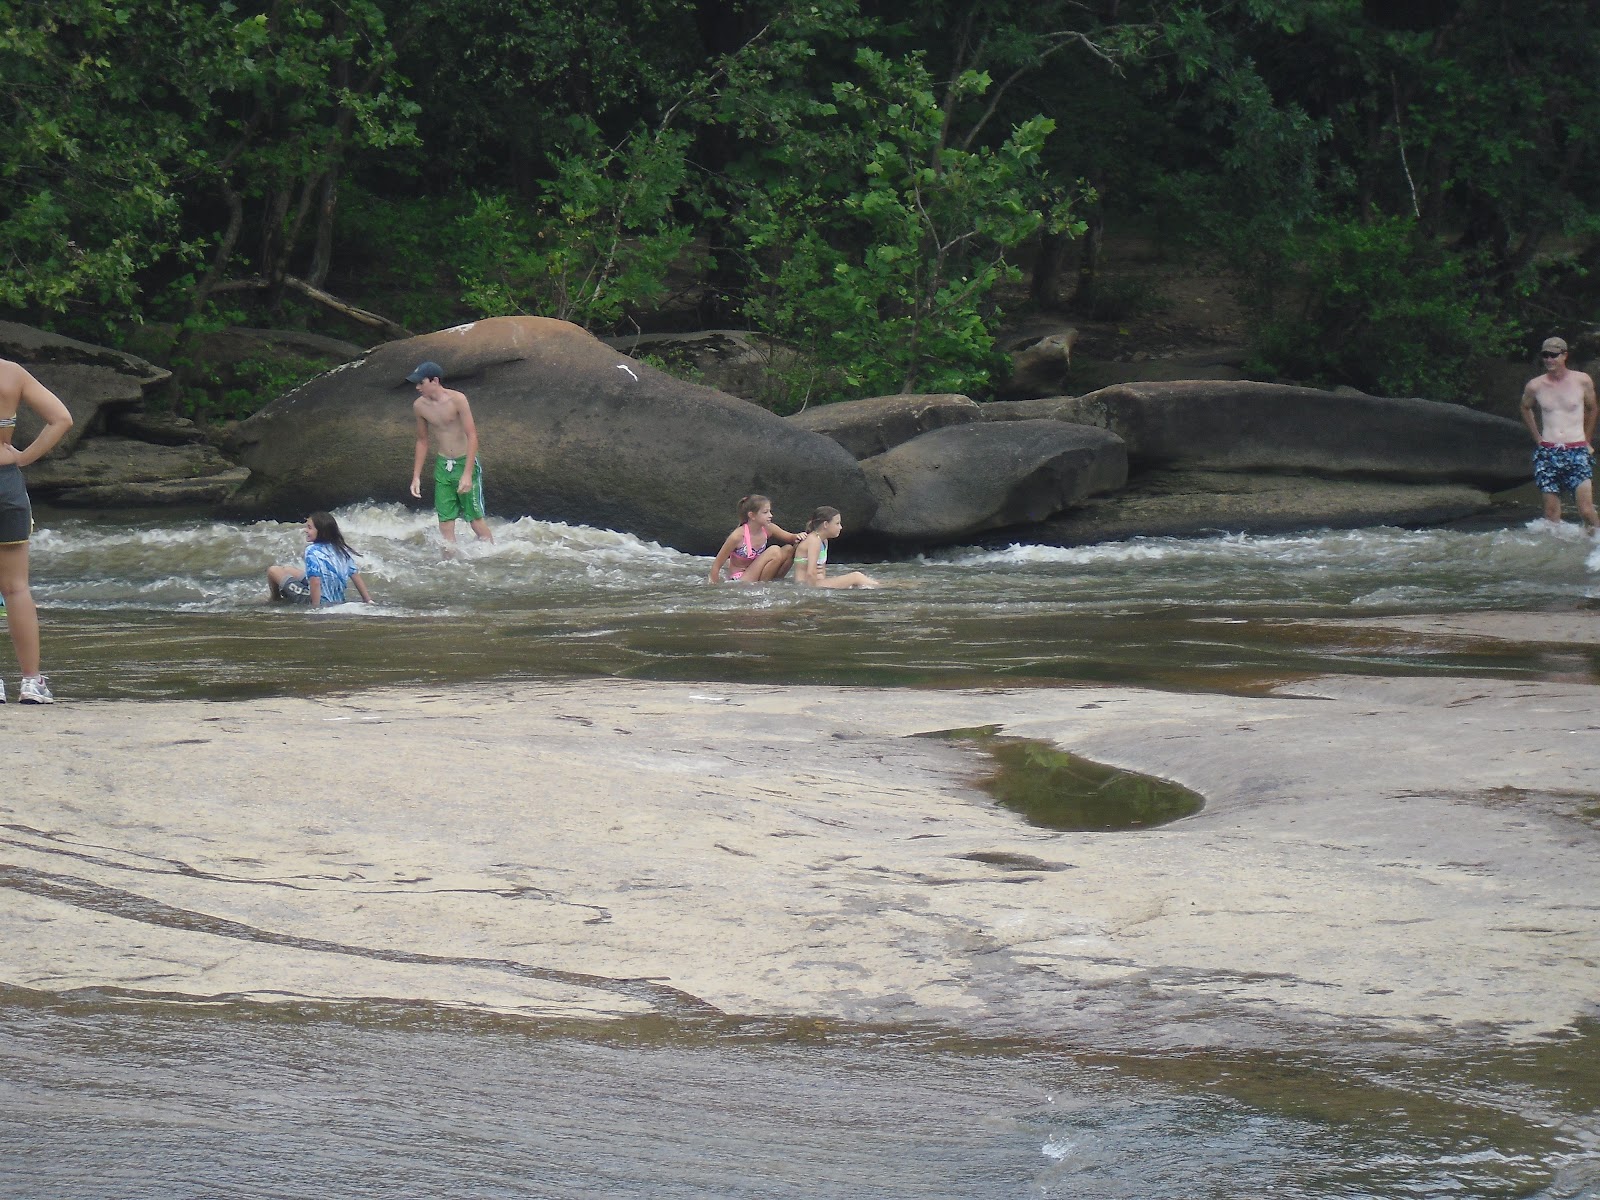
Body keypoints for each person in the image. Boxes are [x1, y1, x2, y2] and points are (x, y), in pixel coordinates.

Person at [0, 359, 73, 704]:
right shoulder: (10, 373)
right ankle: (31, 682)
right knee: (16, 588)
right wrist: (24, 457)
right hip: (5, 484)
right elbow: (62, 419)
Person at [407, 361, 493, 550]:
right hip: (443, 465)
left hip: (465, 462)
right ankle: (449, 566)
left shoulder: (458, 400)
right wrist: (416, 476)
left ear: (435, 381)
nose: (417, 387)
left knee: (475, 520)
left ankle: (493, 559)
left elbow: (472, 435)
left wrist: (467, 474)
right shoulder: (419, 406)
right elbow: (422, 440)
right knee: (445, 522)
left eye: (421, 383)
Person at [1520, 336, 1598, 533]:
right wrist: (1538, 438)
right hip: (1548, 453)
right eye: (1545, 355)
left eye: (1553, 355)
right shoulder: (1535, 386)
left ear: (1564, 355)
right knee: (1551, 515)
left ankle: (1596, 550)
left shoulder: (1582, 380)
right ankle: (1557, 557)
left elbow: (1592, 409)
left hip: (1576, 451)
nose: (1549, 360)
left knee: (1586, 511)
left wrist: (1586, 440)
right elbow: (1525, 407)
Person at [267, 512, 374, 608]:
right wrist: (367, 600)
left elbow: (315, 581)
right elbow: (355, 576)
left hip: (317, 601)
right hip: (337, 600)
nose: (305, 530)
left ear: (321, 531)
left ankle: (275, 598)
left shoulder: (312, 551)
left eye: (309, 528)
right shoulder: (340, 548)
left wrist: (315, 608)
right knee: (288, 569)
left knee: (273, 570)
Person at [708, 494, 799, 584]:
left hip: (758, 574)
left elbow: (791, 537)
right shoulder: (737, 536)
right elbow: (717, 565)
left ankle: (774, 582)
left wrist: (799, 536)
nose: (770, 515)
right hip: (741, 579)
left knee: (789, 549)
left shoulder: (768, 528)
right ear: (752, 515)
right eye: (765, 512)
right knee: (774, 550)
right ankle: (764, 586)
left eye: (770, 511)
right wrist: (713, 585)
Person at [791, 506, 880, 589]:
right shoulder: (814, 540)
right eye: (837, 523)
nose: (840, 527)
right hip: (806, 585)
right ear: (825, 524)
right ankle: (886, 587)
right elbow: (810, 573)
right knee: (856, 577)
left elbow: (822, 569)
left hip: (818, 583)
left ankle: (884, 585)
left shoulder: (824, 541)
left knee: (866, 580)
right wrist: (814, 594)